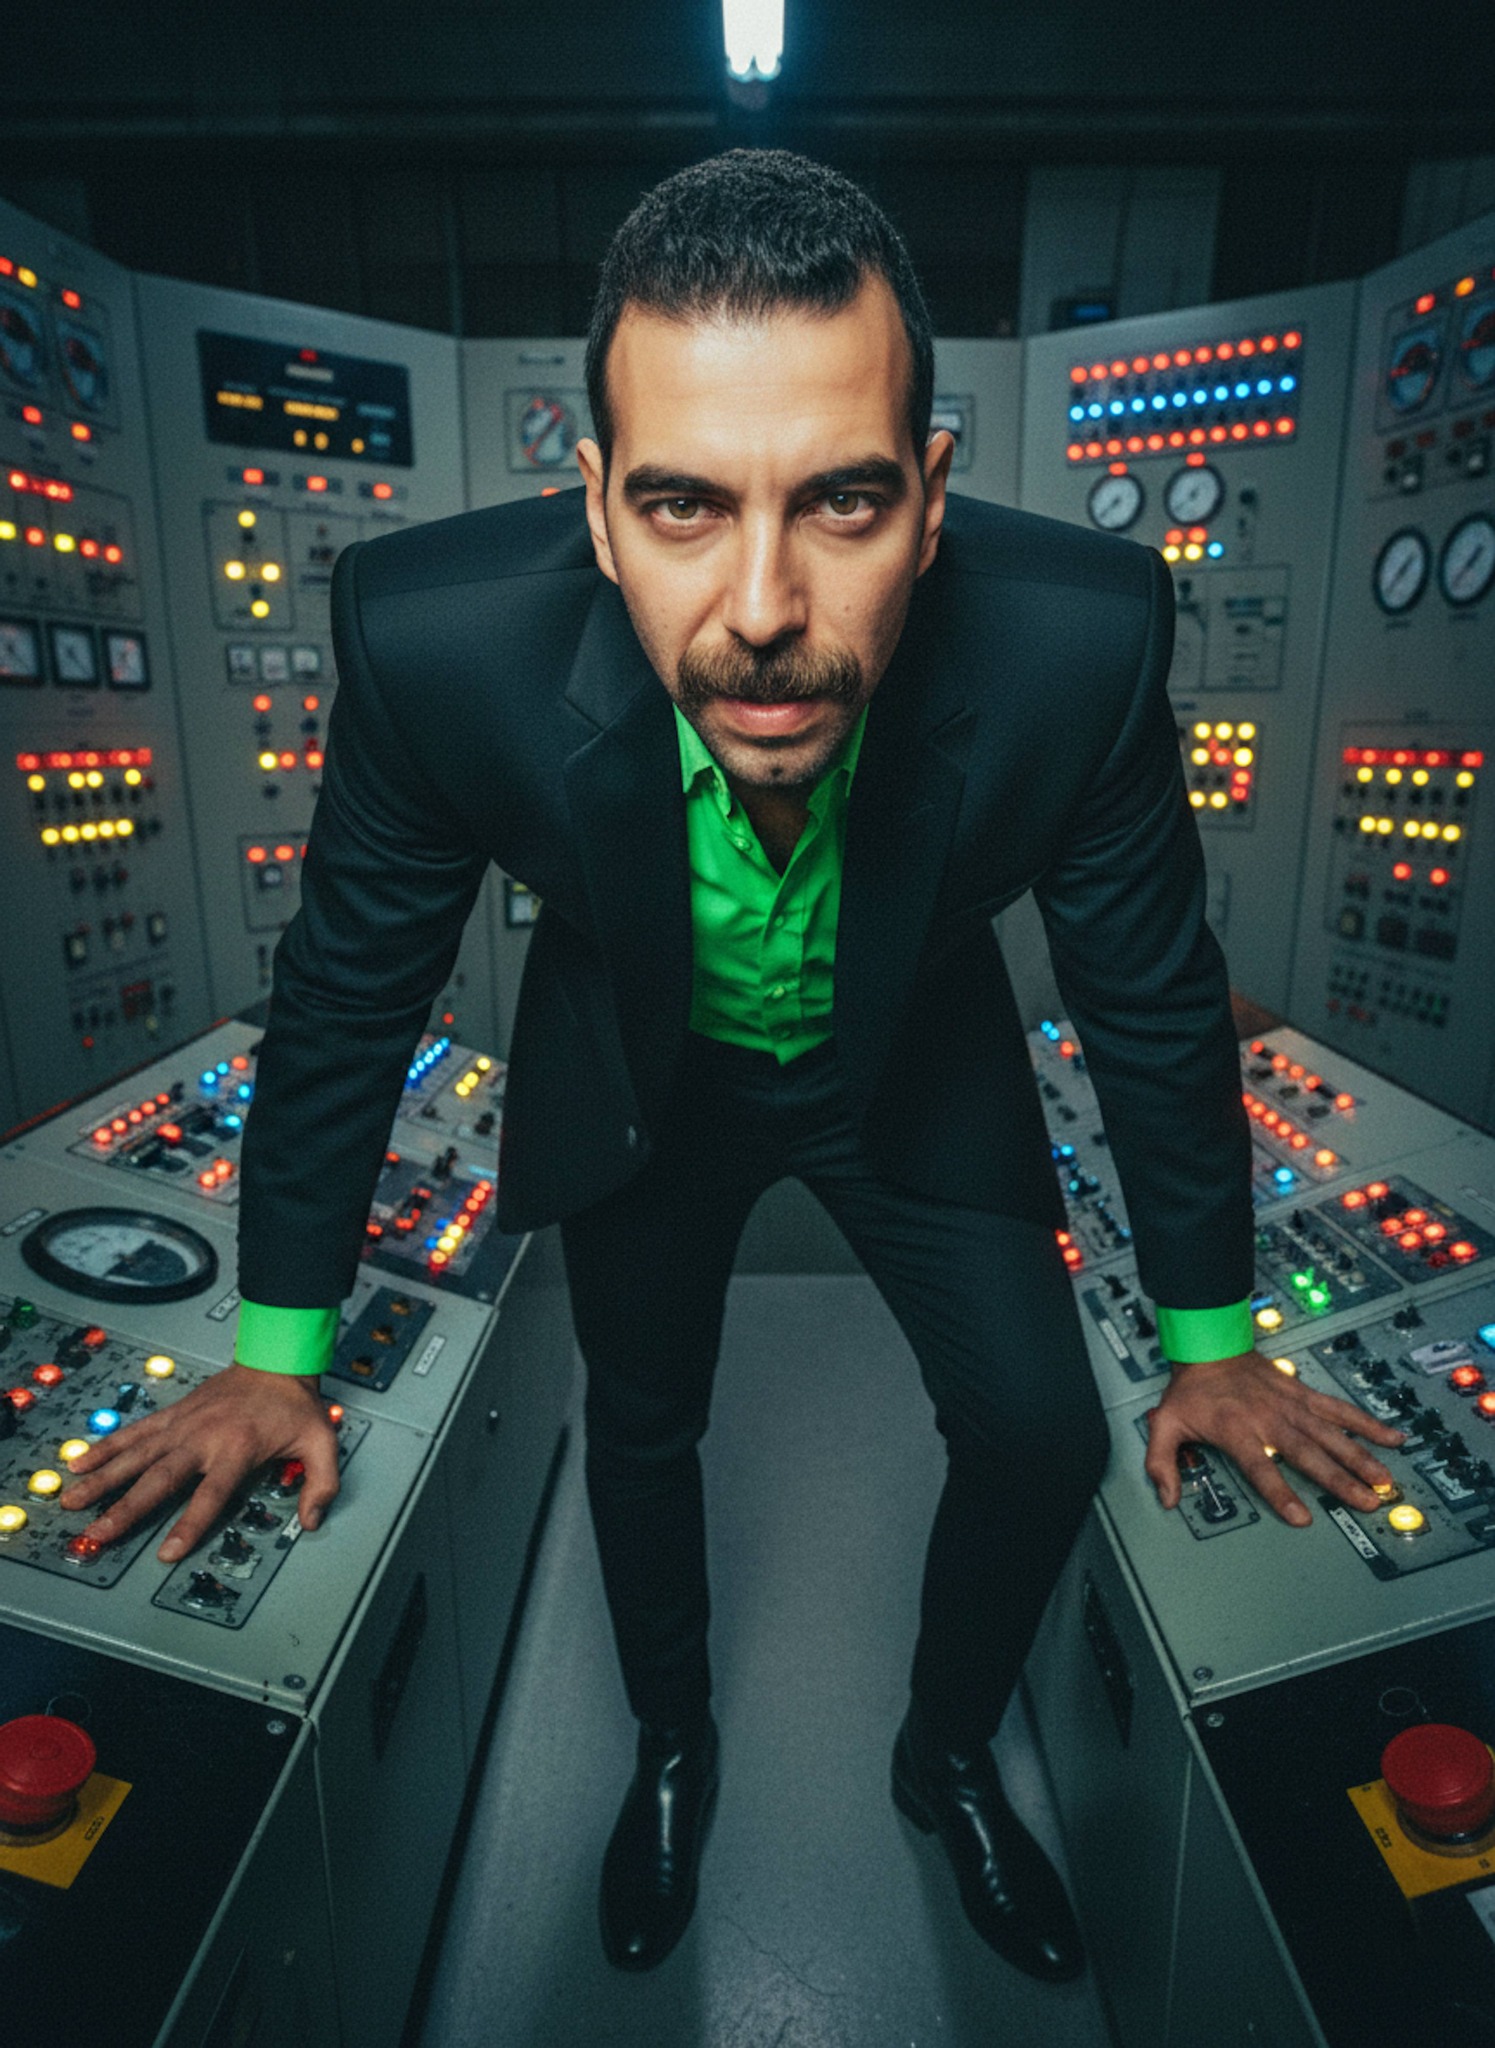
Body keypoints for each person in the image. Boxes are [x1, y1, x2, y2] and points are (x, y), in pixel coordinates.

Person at [59, 151, 1404, 1983]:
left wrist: (1217, 1343)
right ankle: (672, 1747)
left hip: (906, 1054)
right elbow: (347, 1003)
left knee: (1040, 1430)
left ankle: (945, 1757)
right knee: (643, 1424)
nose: (764, 607)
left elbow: (1153, 999)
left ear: (931, 496)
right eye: (685, 504)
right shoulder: (434, 645)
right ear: (597, 505)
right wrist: (276, 1359)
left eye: (841, 500)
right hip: (646, 1068)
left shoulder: (1079, 644)